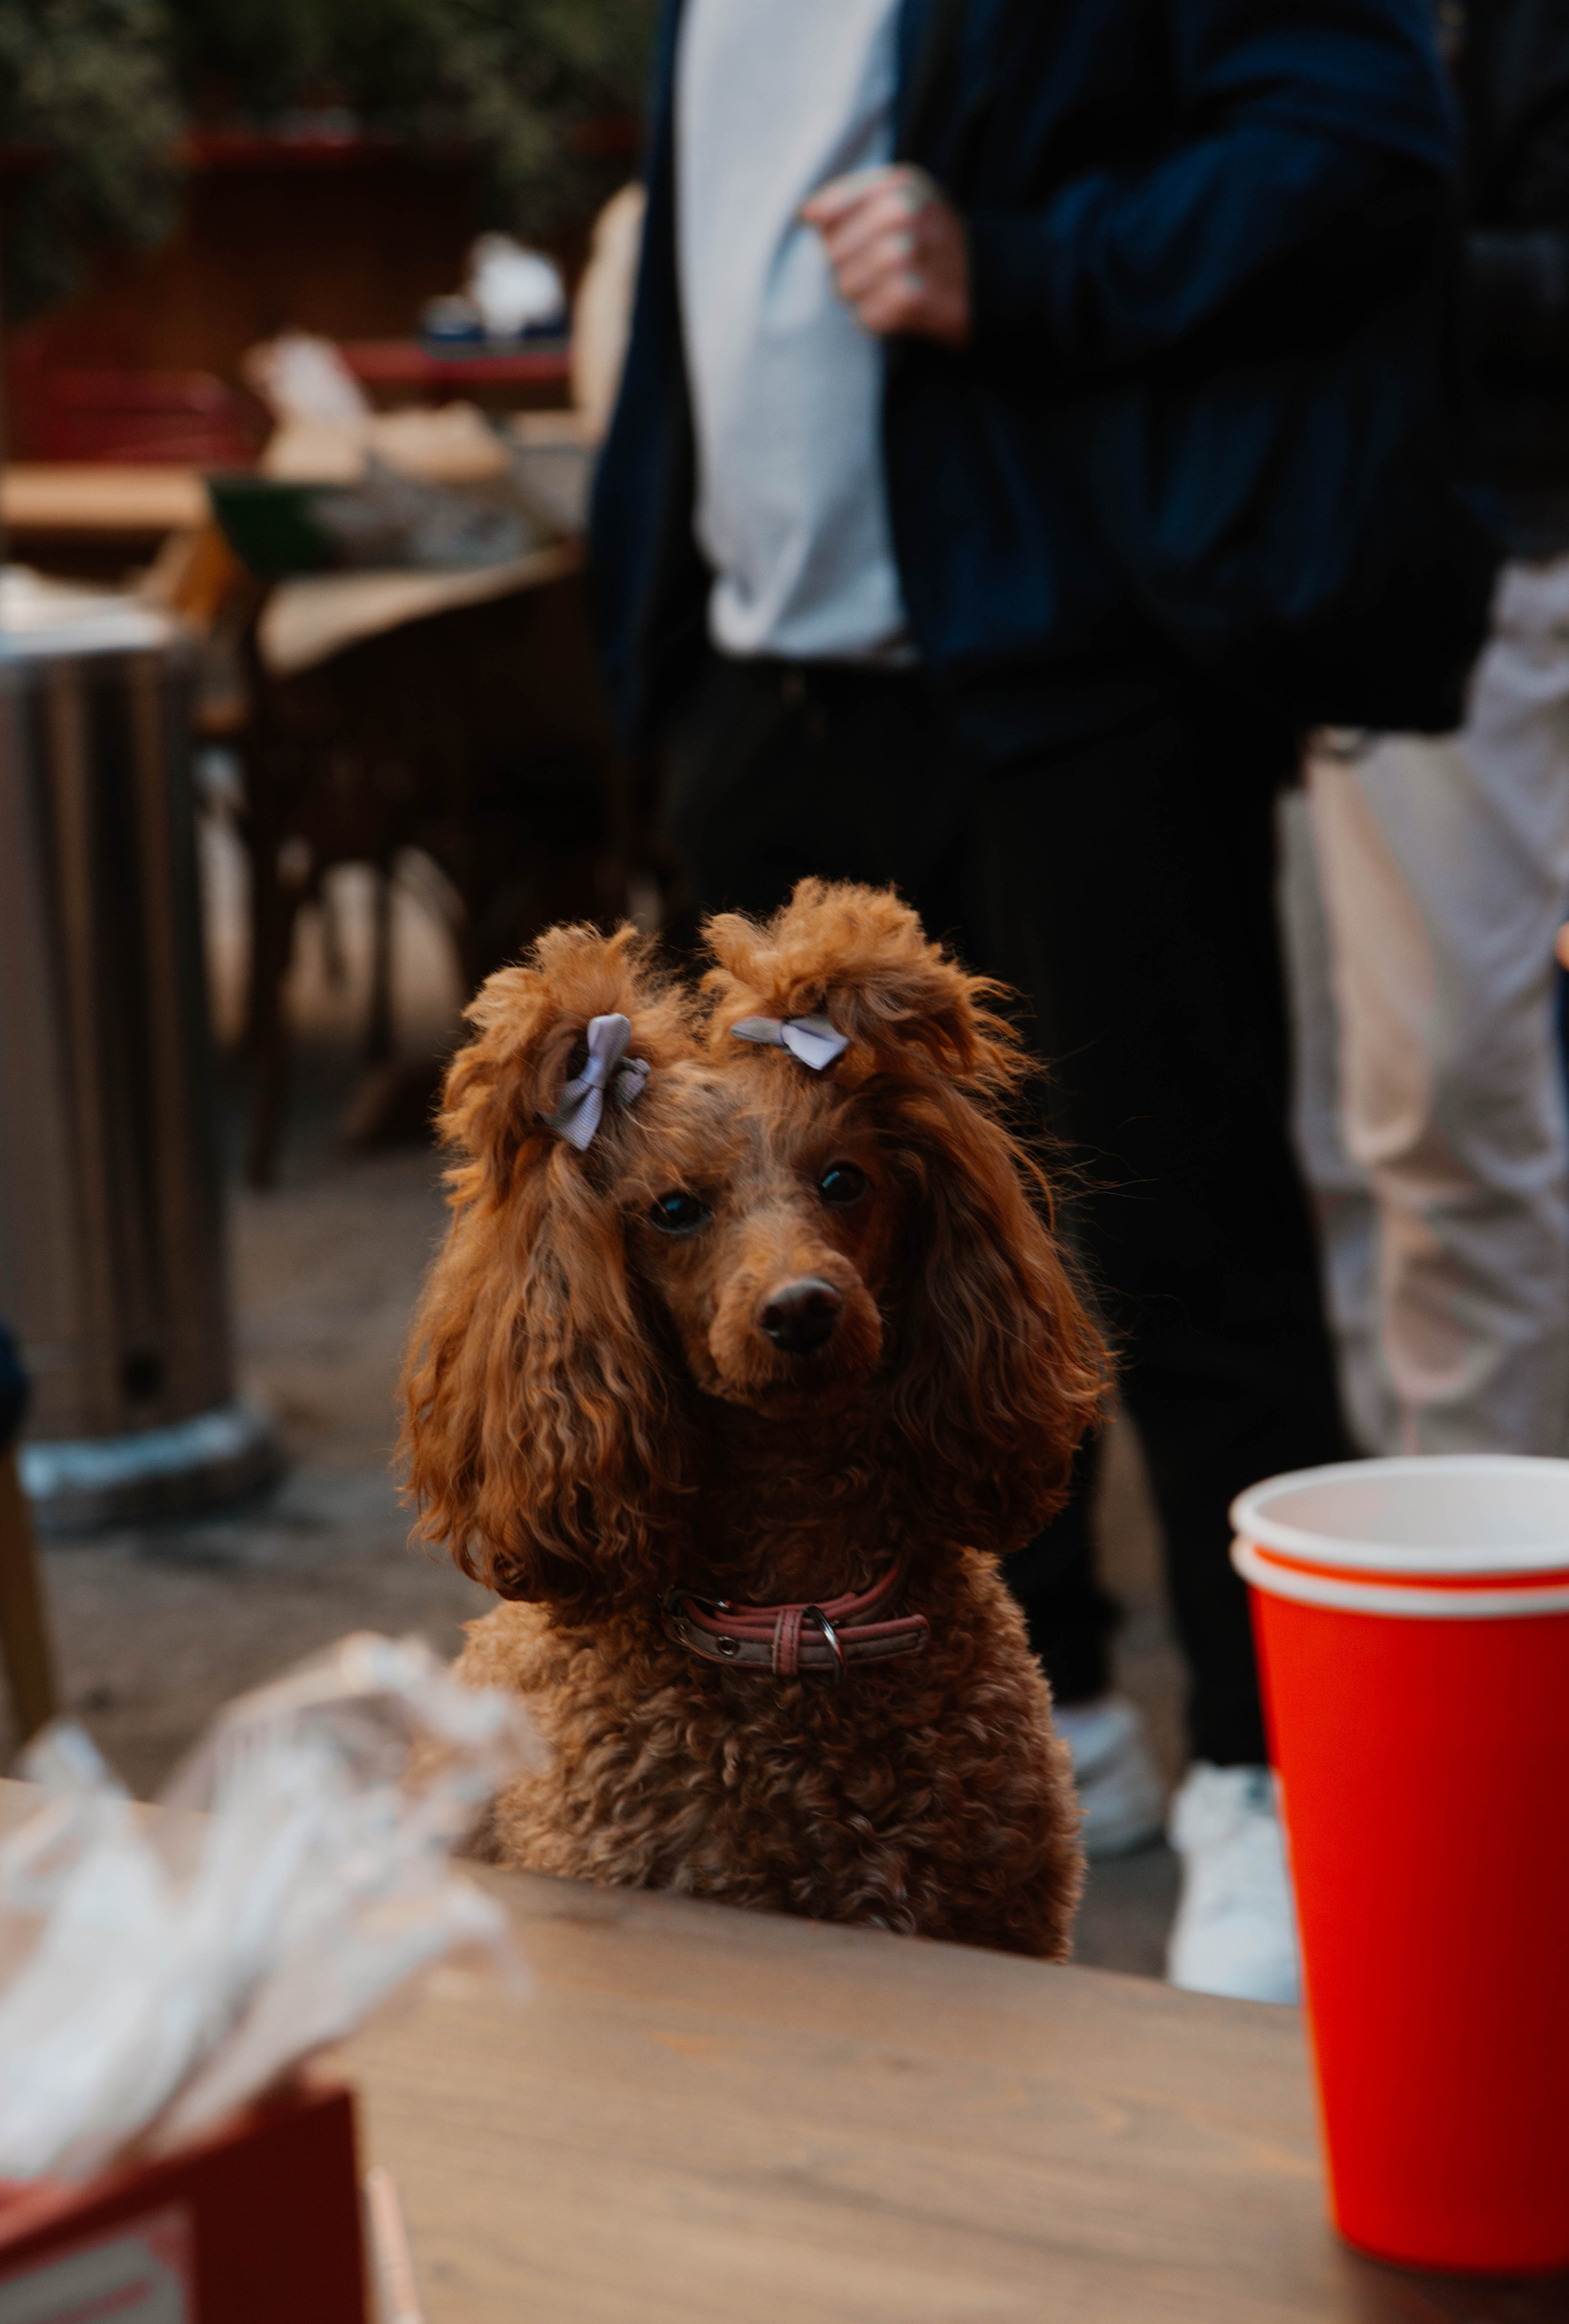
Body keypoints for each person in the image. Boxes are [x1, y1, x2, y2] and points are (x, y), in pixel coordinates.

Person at [590, 0, 1464, 1999]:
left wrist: (1025, 264)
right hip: (767, 700)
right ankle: (1038, 1699)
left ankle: (1265, 1772)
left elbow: (1364, 139)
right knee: (820, 1275)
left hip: (1062, 683)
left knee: (1177, 1234)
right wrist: (650, 638)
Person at [1286, 0, 1569, 1465]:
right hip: (1319, 579)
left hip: (1471, 567)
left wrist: (1350, 250)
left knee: (1445, 1118)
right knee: (1339, 1126)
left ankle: (1485, 1585)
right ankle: (1385, 1557)